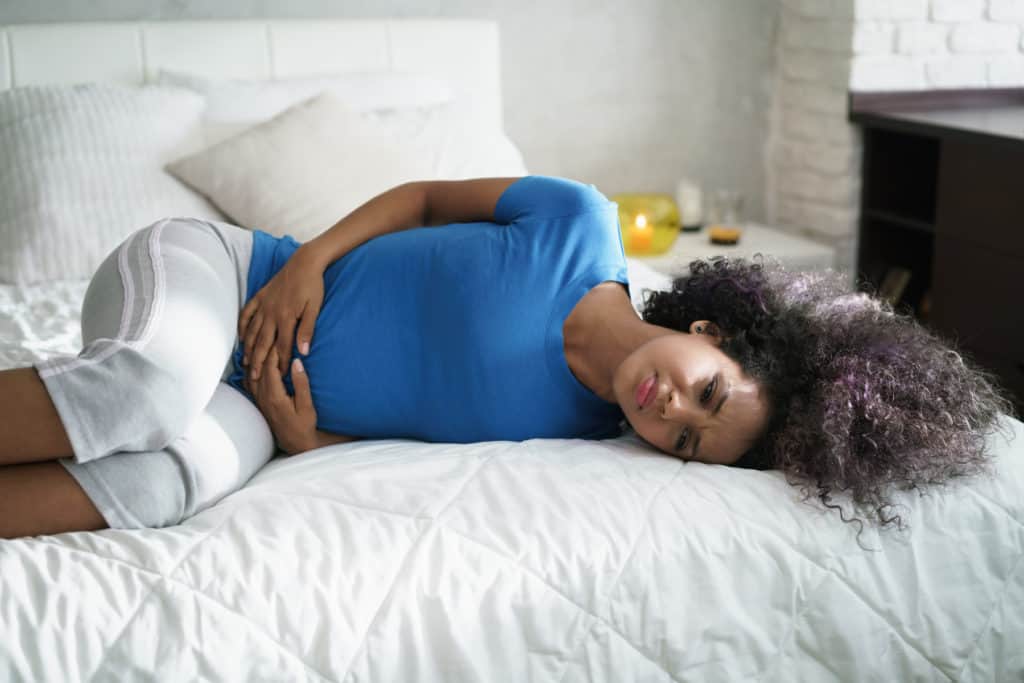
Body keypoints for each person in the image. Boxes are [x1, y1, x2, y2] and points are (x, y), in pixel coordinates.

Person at [0, 176, 1010, 539]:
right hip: (221, 276)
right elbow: (422, 198)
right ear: (711, 336)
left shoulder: (572, 432)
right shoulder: (578, 223)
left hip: (254, 402)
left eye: (687, 442)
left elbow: (416, 426)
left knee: (162, 482)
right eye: (706, 393)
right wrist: (305, 261)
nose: (670, 411)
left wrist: (309, 443)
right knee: (146, 387)